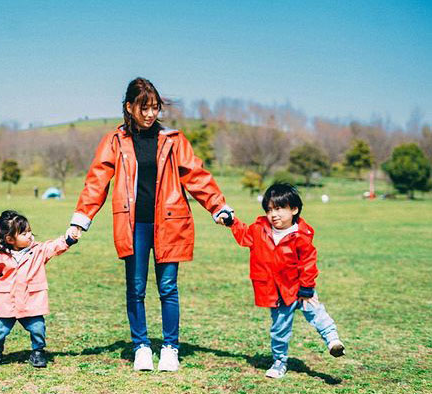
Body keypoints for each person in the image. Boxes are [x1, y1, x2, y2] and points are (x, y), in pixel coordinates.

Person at [68, 77, 234, 372]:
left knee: (168, 287)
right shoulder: (115, 141)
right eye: (144, 108)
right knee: (135, 288)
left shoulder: (173, 140)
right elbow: (97, 181)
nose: (150, 114)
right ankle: (141, 346)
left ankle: (171, 347)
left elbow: (196, 175)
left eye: (155, 108)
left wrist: (218, 206)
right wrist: (81, 219)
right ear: (129, 107)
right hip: (133, 225)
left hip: (170, 222)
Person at [225, 183, 345, 379]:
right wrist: (232, 222)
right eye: (270, 209)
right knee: (279, 330)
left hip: (301, 289)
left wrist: (307, 287)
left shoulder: (301, 235)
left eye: (279, 208)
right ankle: (279, 361)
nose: (274, 214)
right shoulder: (259, 229)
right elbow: (244, 235)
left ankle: (333, 341)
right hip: (277, 292)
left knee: (317, 312)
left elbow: (308, 262)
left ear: (294, 209)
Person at [0, 210, 79, 368]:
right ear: (9, 239)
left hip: (31, 301)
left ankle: (38, 352)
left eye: (29, 231)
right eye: (23, 233)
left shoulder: (38, 251)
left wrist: (68, 239)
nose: (29, 235)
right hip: (6, 303)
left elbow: (54, 246)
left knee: (38, 328)